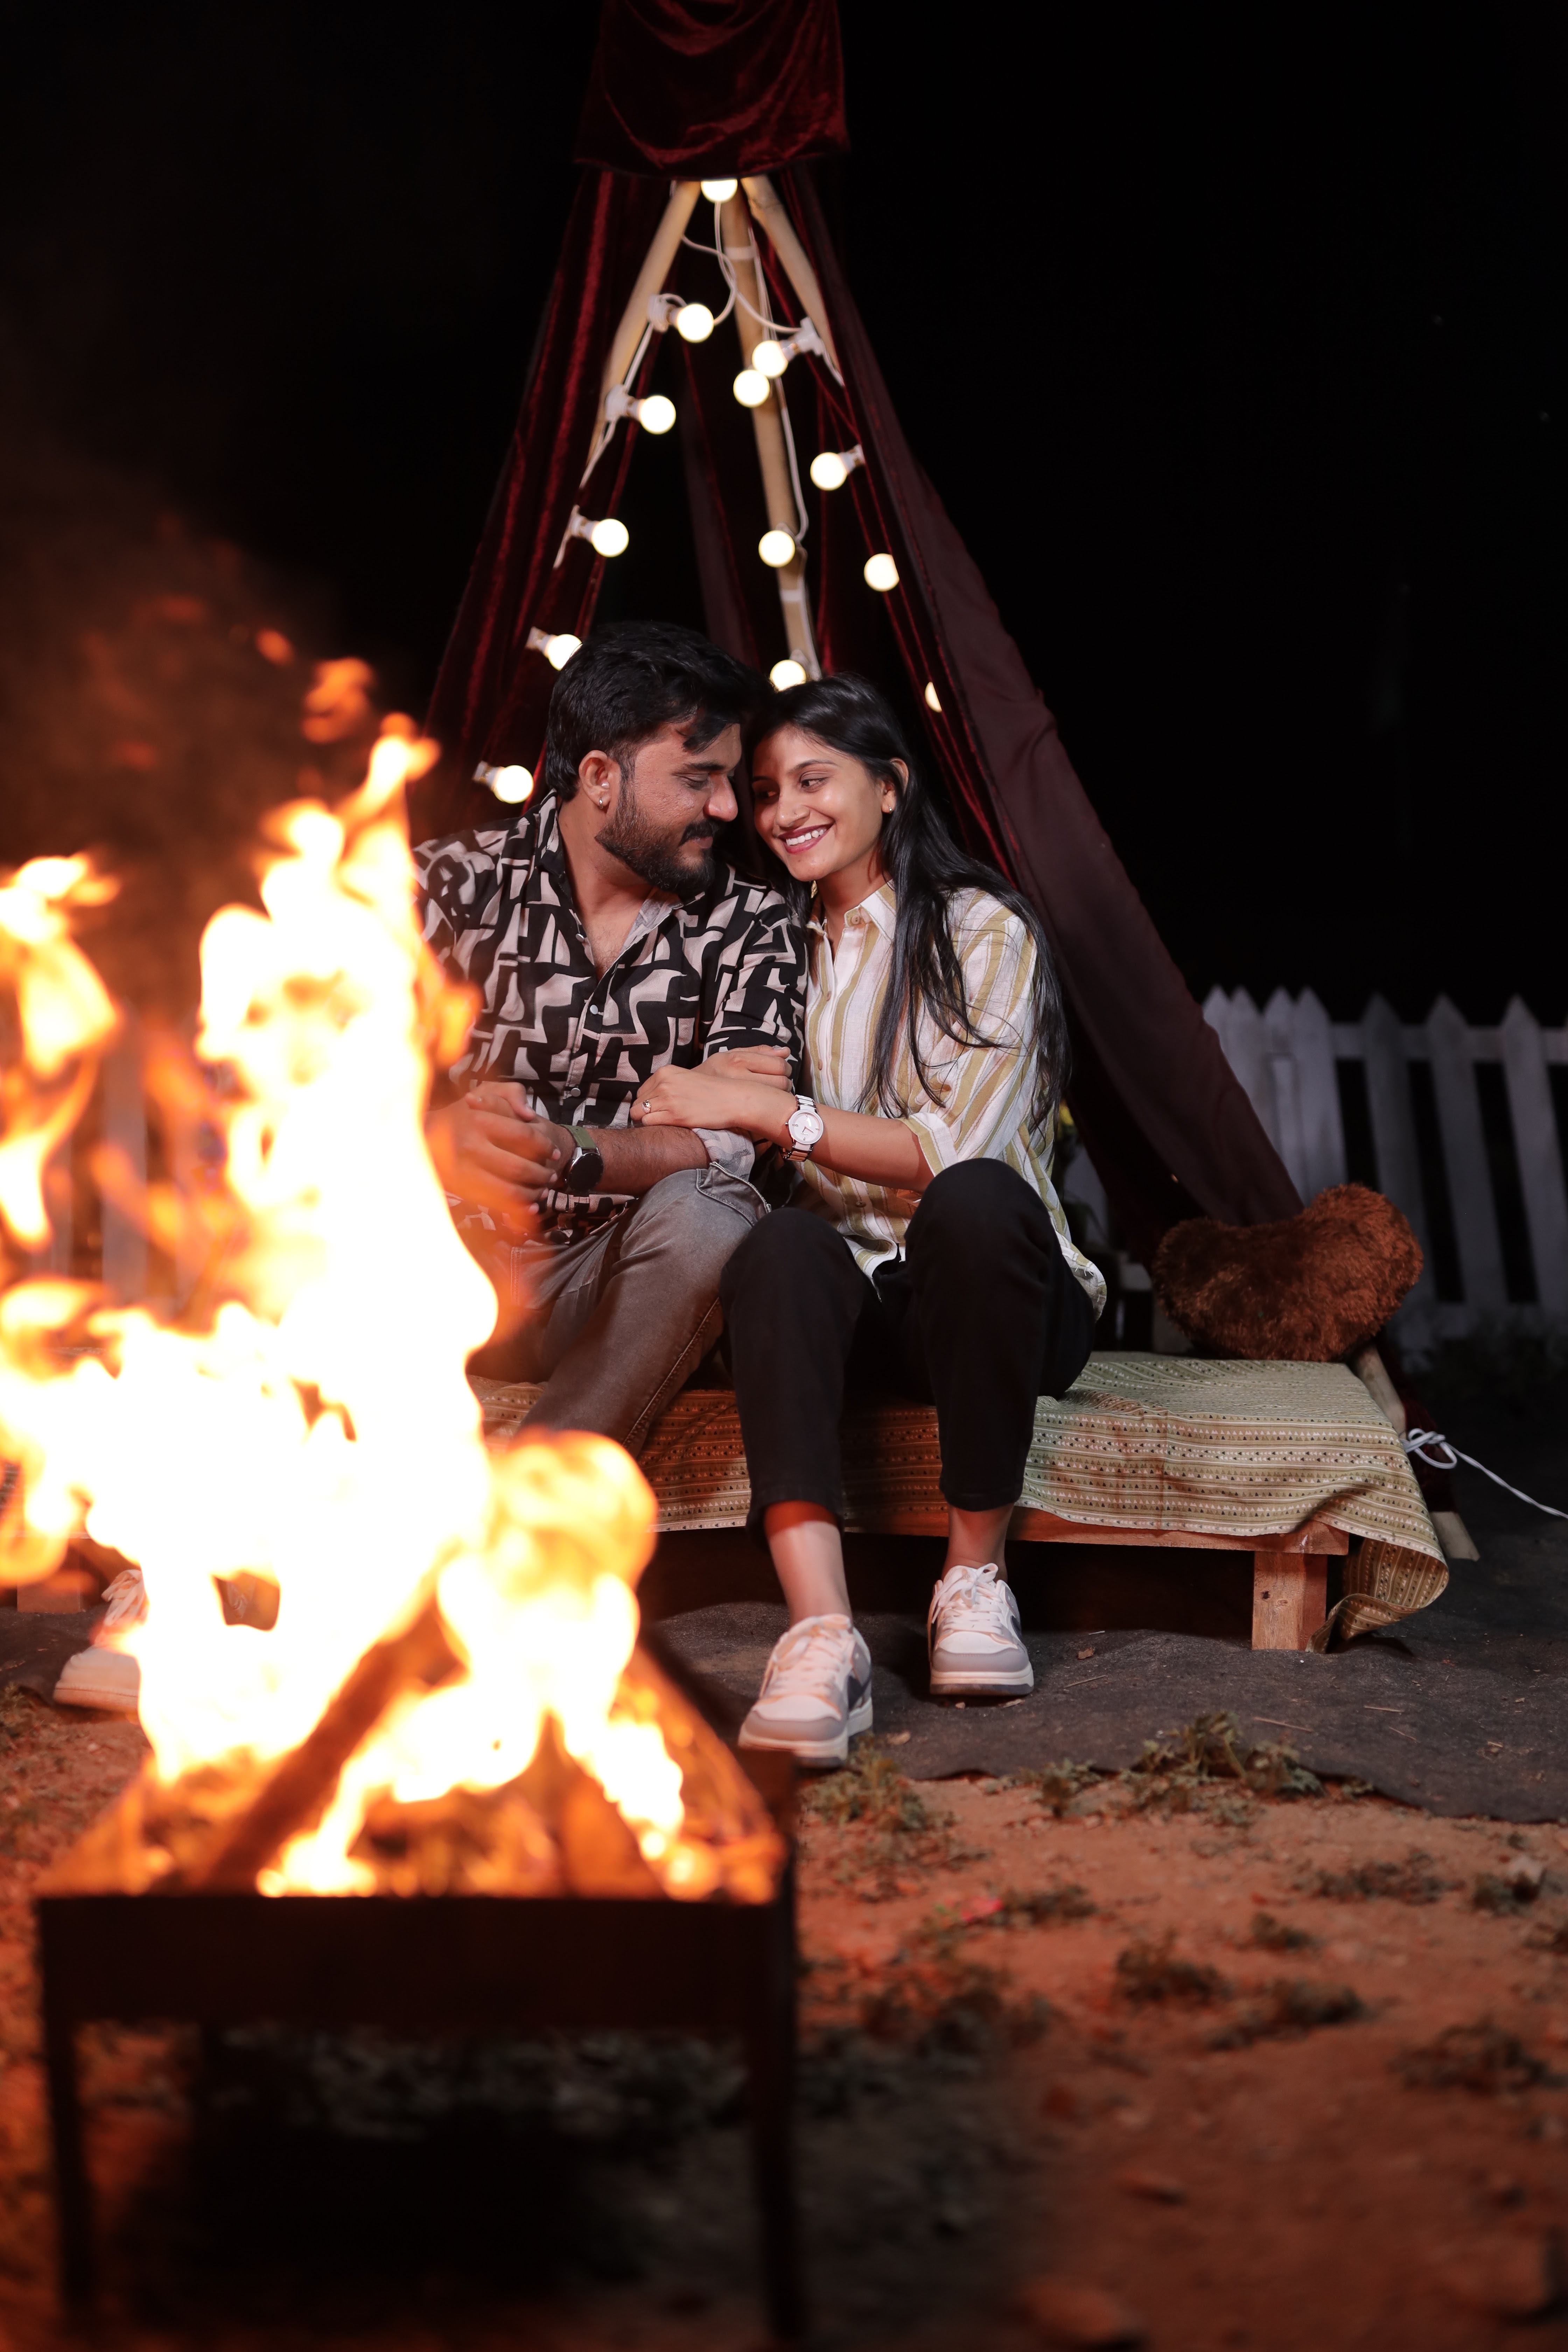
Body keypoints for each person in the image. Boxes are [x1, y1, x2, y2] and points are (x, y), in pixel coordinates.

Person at [631, 673, 1105, 1762]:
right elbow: (707, 1102)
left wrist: (768, 1109)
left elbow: (951, 1152)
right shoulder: (770, 945)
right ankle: (819, 1632)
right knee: (783, 1243)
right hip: (858, 1303)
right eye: (763, 792)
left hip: (995, 1298)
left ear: (889, 786)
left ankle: (974, 1583)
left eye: (813, 781)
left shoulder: (982, 930)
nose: (782, 811)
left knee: (975, 1199)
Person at [415, 622, 804, 1453]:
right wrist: (435, 1138)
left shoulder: (751, 921)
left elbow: (737, 1145)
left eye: (729, 779)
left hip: (616, 1286)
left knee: (714, 1211)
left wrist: (574, 1150)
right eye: (697, 779)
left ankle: (539, 1501)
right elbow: (304, 1087)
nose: (728, 809)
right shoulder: (444, 889)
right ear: (599, 777)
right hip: (434, 1265)